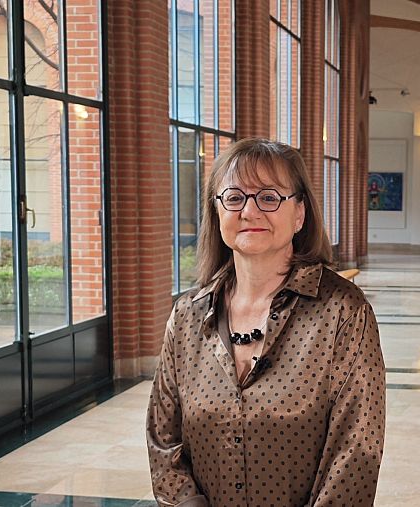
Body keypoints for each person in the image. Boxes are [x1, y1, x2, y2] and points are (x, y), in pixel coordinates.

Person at [147, 138, 386, 506]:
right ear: (217, 212)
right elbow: (163, 441)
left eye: (269, 197)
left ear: (299, 214)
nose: (250, 211)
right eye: (234, 197)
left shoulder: (343, 313)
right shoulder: (187, 317)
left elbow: (355, 453)